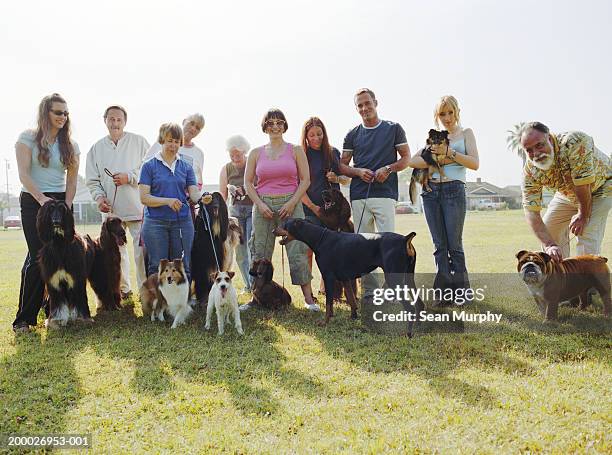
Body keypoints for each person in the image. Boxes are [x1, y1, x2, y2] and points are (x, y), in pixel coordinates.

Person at [12, 93, 83, 333]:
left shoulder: (71, 145)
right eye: (57, 112)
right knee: (38, 257)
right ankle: (24, 319)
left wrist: (68, 204)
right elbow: (23, 174)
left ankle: (52, 307)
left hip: (60, 203)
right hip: (34, 201)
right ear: (46, 113)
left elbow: (72, 181)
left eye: (65, 113)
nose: (63, 117)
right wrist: (42, 199)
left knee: (57, 257)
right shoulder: (27, 138)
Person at [242, 108, 318, 311]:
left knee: (298, 250)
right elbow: (248, 183)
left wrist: (292, 202)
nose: (275, 126)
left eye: (279, 122)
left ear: (284, 125)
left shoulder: (295, 150)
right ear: (264, 126)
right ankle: (255, 299)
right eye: (270, 122)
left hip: (290, 204)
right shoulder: (256, 153)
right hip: (263, 205)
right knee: (259, 251)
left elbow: (305, 180)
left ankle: (309, 300)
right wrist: (260, 204)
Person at [408, 95, 480, 304]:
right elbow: (413, 162)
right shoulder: (433, 138)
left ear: (457, 111)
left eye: (450, 112)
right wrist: (431, 158)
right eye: (442, 114)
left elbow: (474, 163)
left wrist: (449, 154)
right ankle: (443, 293)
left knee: (454, 245)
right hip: (431, 194)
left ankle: (462, 292)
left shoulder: (466, 134)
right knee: (439, 246)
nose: (447, 118)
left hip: (453, 190)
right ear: (436, 116)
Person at [340, 88, 411, 298]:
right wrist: (358, 172)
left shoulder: (393, 128)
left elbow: (406, 158)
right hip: (360, 196)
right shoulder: (352, 134)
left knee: (389, 245)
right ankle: (369, 292)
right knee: (363, 246)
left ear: (375, 102)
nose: (364, 108)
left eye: (367, 103)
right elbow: (342, 166)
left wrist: (388, 169)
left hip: (385, 194)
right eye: (359, 105)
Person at [518, 121, 610, 261]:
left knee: (587, 233)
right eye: (529, 150)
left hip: (601, 187)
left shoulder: (575, 141)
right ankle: (561, 278)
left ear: (549, 138)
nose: (536, 153)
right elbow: (531, 211)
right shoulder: (530, 171)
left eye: (539, 145)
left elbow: (583, 186)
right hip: (568, 193)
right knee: (549, 229)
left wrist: (583, 215)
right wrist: (549, 245)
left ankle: (586, 281)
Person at [85, 105, 149, 299]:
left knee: (140, 253)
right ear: (105, 120)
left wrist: (129, 177)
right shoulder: (96, 148)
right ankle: (122, 289)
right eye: (111, 119)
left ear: (125, 121)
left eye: (119, 119)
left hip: (137, 208)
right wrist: (99, 198)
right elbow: (92, 180)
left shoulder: (139, 142)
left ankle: (145, 290)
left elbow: (150, 170)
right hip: (112, 213)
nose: (115, 123)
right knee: (115, 254)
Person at [139, 123, 200, 282]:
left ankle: (182, 304)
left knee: (182, 265)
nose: (173, 145)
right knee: (157, 266)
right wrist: (167, 201)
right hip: (155, 223)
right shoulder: (148, 166)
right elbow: (144, 198)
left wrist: (202, 197)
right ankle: (158, 304)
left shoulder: (186, 167)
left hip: (182, 222)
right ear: (162, 140)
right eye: (169, 140)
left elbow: (193, 193)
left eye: (176, 141)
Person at [300, 117, 349, 295]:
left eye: (319, 134)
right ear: (305, 136)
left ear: (324, 133)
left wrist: (335, 178)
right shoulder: (301, 155)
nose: (316, 138)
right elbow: (299, 185)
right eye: (311, 135)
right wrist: (313, 208)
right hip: (310, 209)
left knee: (331, 250)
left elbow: (347, 179)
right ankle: (308, 293)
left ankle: (328, 289)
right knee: (308, 251)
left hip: (332, 212)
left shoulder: (333, 152)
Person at [219, 134, 254, 293]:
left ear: (244, 152)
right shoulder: (226, 169)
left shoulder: (252, 165)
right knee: (240, 251)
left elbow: (260, 186)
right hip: (235, 213)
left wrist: (246, 189)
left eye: (238, 155)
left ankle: (256, 284)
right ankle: (249, 285)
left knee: (252, 247)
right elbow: (222, 196)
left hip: (253, 210)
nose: (235, 158)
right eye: (232, 155)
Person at [144, 113, 205, 187]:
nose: (193, 128)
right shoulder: (163, 142)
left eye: (197, 128)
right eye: (191, 123)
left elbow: (198, 180)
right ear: (184, 121)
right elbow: (145, 167)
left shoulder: (199, 154)